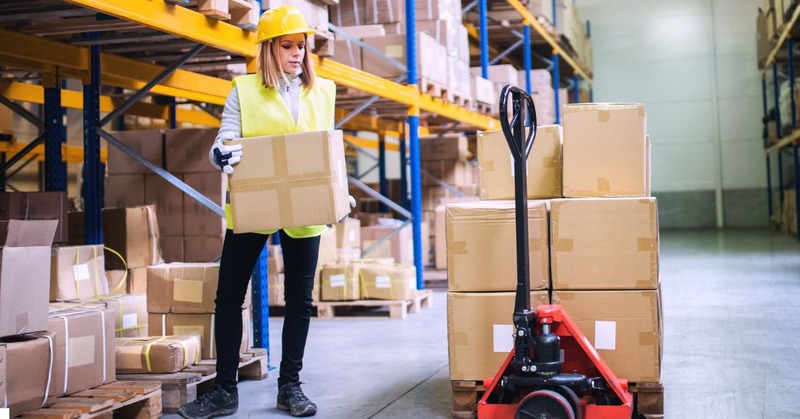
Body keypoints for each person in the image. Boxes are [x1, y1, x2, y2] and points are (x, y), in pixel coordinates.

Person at [177, 5, 342, 418]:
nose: (298, 54)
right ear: (269, 49)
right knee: (229, 296)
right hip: (255, 204)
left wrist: (339, 192)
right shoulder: (244, 90)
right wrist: (222, 153)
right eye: (288, 46)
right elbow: (227, 137)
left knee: (300, 300)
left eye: (301, 46)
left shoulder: (322, 92)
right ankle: (225, 390)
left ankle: (291, 386)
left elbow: (328, 151)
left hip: (305, 206)